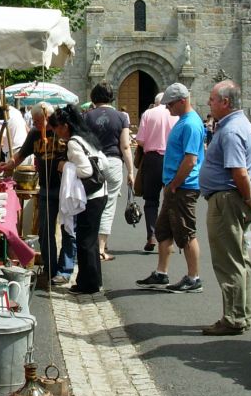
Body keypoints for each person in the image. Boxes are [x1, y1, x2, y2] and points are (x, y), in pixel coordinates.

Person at [198, 80, 251, 335]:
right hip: (232, 197)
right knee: (239, 258)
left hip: (226, 200)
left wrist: (249, 197)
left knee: (229, 260)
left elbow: (239, 170)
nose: (209, 103)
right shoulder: (241, 126)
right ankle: (241, 314)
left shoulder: (231, 130)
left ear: (225, 102)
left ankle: (234, 317)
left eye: (213, 99)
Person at [135, 84, 205, 293]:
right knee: (163, 229)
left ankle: (194, 278)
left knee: (186, 232)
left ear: (182, 101)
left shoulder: (191, 124)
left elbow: (191, 160)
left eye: (170, 104)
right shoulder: (183, 121)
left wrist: (174, 183)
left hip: (183, 186)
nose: (167, 109)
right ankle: (161, 273)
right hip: (175, 186)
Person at [0, 102, 76, 284]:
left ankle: (65, 270)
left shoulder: (63, 131)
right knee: (45, 230)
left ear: (48, 117)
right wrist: (8, 165)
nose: (35, 124)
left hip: (66, 189)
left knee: (68, 229)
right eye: (34, 121)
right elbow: (21, 154)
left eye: (38, 121)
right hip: (46, 188)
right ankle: (50, 269)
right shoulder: (35, 134)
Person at [48, 104, 106, 295]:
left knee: (84, 241)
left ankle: (87, 284)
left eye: (56, 129)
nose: (56, 133)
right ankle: (94, 280)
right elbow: (102, 162)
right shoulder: (86, 137)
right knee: (91, 240)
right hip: (100, 194)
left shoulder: (73, 142)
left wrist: (65, 166)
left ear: (65, 125)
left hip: (90, 196)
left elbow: (86, 170)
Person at [85, 82, 135, 261]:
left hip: (92, 163)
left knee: (91, 202)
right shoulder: (121, 117)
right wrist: (130, 171)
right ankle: (101, 248)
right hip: (113, 162)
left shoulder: (87, 117)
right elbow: (125, 146)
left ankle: (88, 245)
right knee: (109, 204)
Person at [133, 92, 176, 253]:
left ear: (156, 102)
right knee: (170, 199)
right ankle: (168, 239)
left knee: (151, 200)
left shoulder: (148, 114)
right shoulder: (175, 115)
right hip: (171, 159)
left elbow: (140, 141)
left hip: (152, 160)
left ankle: (151, 235)